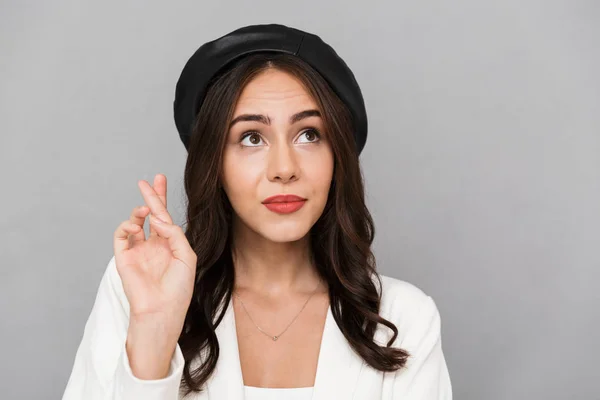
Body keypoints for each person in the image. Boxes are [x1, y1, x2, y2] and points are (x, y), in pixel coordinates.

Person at [62, 24, 452, 400]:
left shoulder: (404, 318)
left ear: (338, 158)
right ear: (213, 162)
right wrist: (153, 332)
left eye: (309, 134)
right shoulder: (142, 290)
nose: (284, 168)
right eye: (251, 138)